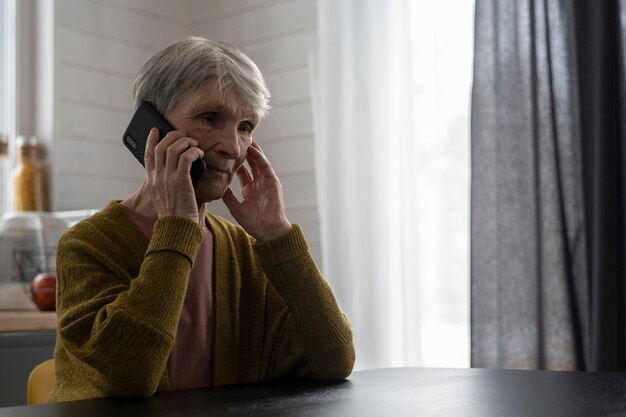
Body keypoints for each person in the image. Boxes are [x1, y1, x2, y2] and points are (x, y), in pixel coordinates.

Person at [49, 37, 355, 402]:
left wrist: (277, 235)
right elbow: (126, 379)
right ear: (153, 126)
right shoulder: (87, 244)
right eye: (210, 118)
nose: (233, 146)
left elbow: (333, 360)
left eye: (245, 126)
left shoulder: (244, 249)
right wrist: (177, 228)